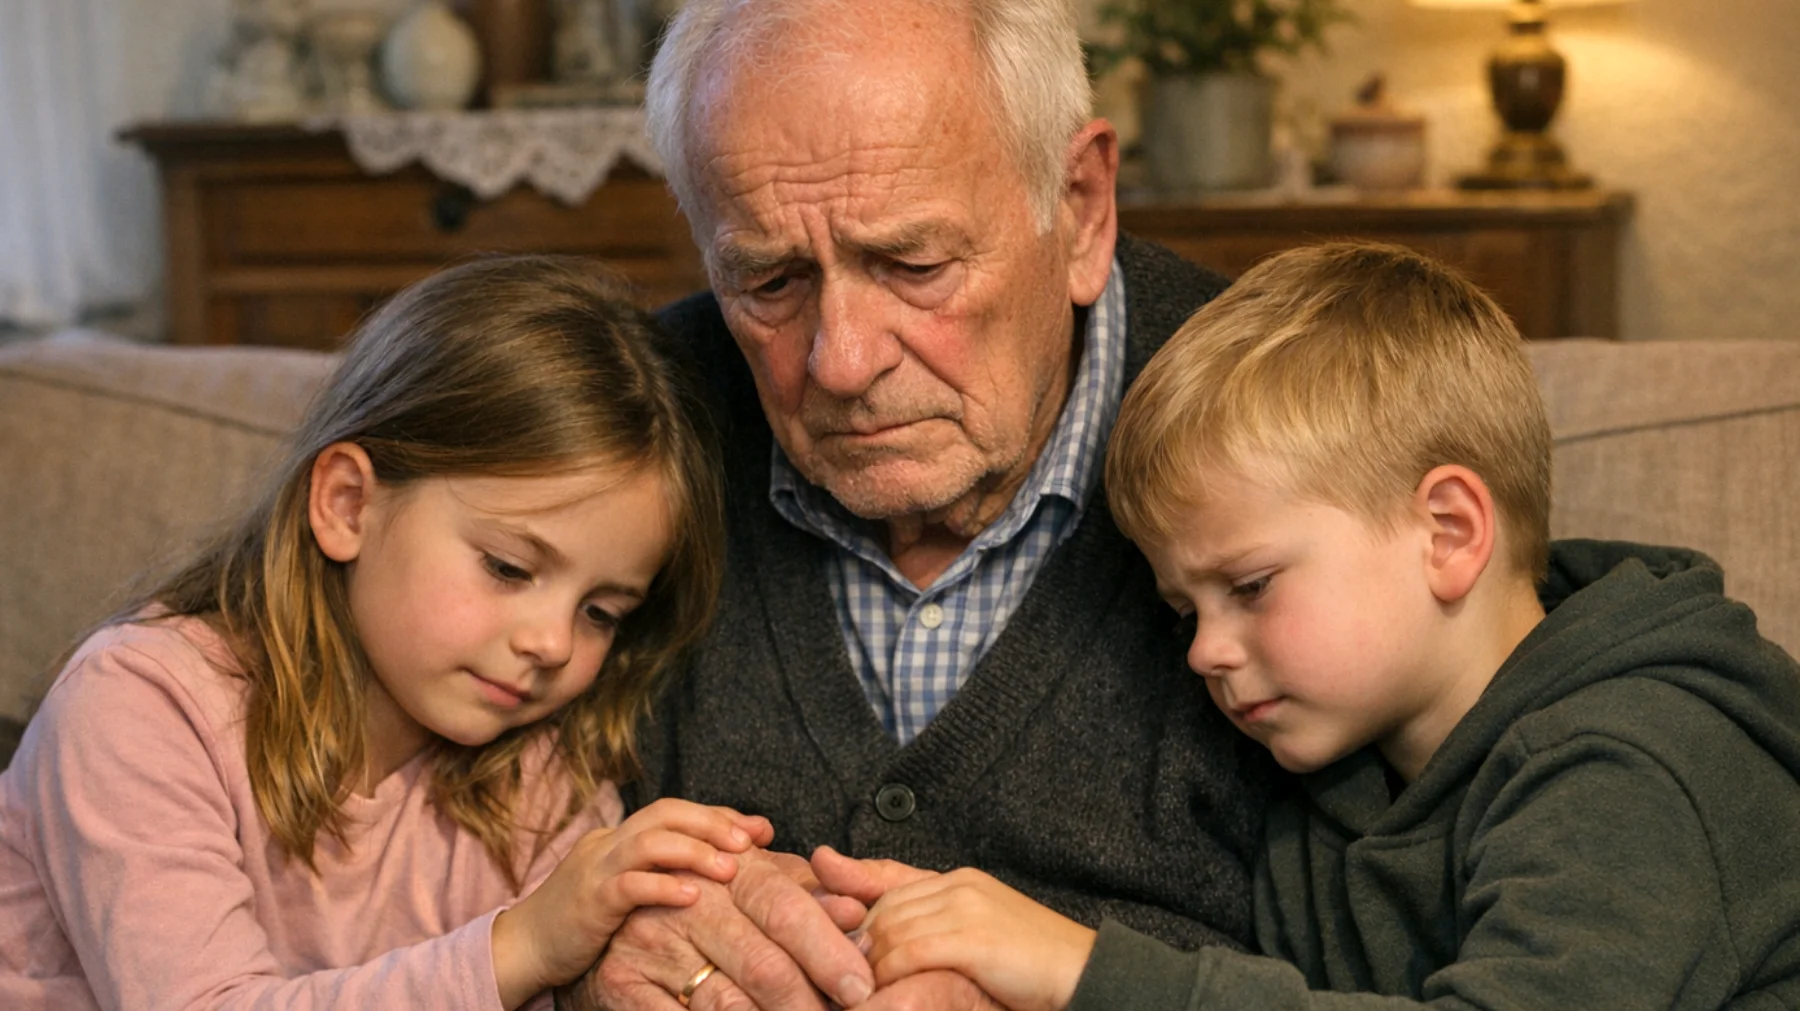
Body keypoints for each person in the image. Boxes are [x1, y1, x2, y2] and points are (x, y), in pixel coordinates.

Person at [812, 241, 1800, 1010]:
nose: (1203, 650)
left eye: (1250, 586)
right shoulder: (1332, 788)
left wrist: (1083, 971)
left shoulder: (1632, 762)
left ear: (1448, 532)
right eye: (1183, 609)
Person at [567, 0, 1275, 1008]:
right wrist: (583, 956)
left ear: (1078, 206)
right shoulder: (621, 430)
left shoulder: (1309, 434)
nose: (843, 362)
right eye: (769, 280)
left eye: (913, 264)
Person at [0, 256, 779, 1010]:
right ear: (346, 504)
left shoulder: (540, 776)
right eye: (508, 567)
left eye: (601, 611)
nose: (551, 641)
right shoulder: (140, 705)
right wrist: (524, 945)